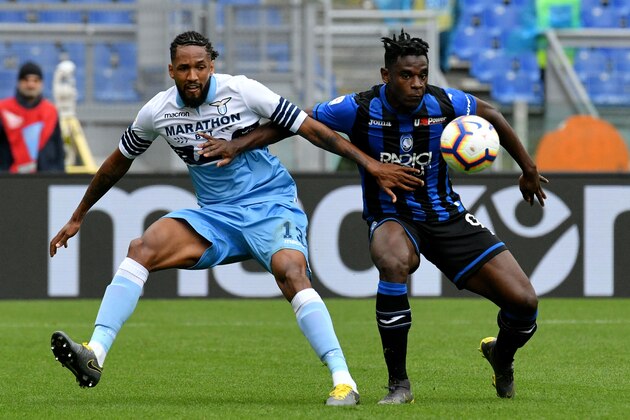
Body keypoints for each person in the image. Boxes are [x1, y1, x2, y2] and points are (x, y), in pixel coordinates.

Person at [48, 31, 423, 406]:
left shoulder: (242, 91)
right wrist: (79, 215)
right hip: (216, 216)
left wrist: (371, 165)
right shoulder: (157, 112)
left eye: (199, 67)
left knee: (290, 271)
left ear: (212, 66)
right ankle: (95, 352)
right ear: (170, 70)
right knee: (141, 248)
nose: (192, 75)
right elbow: (118, 160)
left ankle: (344, 381)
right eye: (183, 68)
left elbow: (311, 130)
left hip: (271, 204)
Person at [197, 29, 549, 403]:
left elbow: (492, 114)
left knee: (524, 303)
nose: (416, 84)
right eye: (406, 76)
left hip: (447, 216)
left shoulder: (444, 103)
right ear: (386, 75)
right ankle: (399, 384)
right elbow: (297, 121)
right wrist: (237, 145)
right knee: (392, 261)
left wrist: (527, 168)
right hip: (392, 216)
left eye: (422, 75)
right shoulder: (360, 108)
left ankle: (501, 356)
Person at [0, 61, 65, 173]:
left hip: (45, 179)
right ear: (19, 82)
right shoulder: (3, 109)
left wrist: (59, 174)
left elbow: (58, 148)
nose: (31, 85)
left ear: (41, 83)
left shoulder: (51, 111)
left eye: (35, 80)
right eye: (26, 80)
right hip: (8, 180)